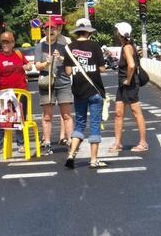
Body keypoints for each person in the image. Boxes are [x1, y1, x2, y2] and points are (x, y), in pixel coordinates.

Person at [63, 19, 107, 169]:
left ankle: (71, 154)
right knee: (95, 124)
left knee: (80, 123)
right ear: (89, 32)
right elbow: (102, 69)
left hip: (78, 91)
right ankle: (93, 160)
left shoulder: (69, 48)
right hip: (95, 90)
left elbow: (68, 71)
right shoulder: (95, 46)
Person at [34, 18, 73, 155]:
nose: (50, 31)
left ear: (57, 31)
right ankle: (47, 143)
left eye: (53, 29)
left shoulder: (64, 45)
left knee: (66, 114)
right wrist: (46, 63)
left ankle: (70, 142)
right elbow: (37, 66)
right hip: (47, 83)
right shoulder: (40, 46)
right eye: (47, 29)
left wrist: (62, 59)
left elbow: (71, 64)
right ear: (44, 31)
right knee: (47, 116)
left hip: (63, 82)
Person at [0, 31, 32, 155]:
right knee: (2, 120)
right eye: (3, 42)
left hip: (20, 91)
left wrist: (28, 67)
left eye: (7, 42)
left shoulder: (18, 54)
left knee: (20, 118)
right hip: (4, 92)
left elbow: (28, 65)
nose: (5, 45)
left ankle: (21, 144)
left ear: (13, 43)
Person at [109, 22, 148, 153]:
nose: (115, 33)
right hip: (123, 85)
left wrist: (128, 80)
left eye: (116, 31)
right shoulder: (129, 45)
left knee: (137, 113)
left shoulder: (127, 47)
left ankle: (143, 143)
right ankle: (117, 143)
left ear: (119, 33)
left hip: (129, 85)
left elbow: (131, 66)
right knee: (118, 113)